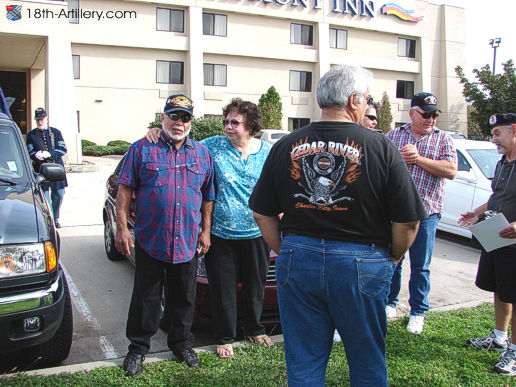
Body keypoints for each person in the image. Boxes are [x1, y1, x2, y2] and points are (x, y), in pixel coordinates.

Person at [249, 65, 427, 386]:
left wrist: (289, 250)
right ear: (353, 100)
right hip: (362, 261)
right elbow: (408, 221)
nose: (369, 105)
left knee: (304, 362)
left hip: (298, 259)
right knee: (367, 360)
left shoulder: (285, 145)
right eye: (368, 98)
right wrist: (393, 258)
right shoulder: (381, 146)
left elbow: (262, 213)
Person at [146, 98, 273, 358]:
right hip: (221, 233)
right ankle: (224, 336)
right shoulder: (212, 146)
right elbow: (180, 145)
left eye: (234, 122)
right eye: (226, 121)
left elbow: (276, 186)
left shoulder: (268, 152)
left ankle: (254, 329)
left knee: (255, 286)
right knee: (222, 288)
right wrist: (159, 132)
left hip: (256, 232)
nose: (228, 126)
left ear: (250, 126)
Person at [115, 94, 215, 376]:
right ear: (163, 118)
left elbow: (208, 195)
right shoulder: (142, 149)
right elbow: (124, 189)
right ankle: (137, 349)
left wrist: (205, 231)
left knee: (184, 298)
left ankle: (181, 345)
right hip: (151, 240)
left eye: (185, 117)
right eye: (173, 115)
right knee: (145, 298)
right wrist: (122, 228)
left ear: (191, 122)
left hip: (186, 241)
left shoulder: (201, 154)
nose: (179, 122)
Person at [385, 92, 457, 334]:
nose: (431, 119)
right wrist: (399, 159)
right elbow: (380, 166)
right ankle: (389, 303)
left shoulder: (443, 139)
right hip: (395, 212)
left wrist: (419, 159)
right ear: (412, 113)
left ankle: (418, 311)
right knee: (393, 259)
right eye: (426, 114)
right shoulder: (394, 136)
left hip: (427, 213)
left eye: (435, 115)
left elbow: (450, 170)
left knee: (421, 265)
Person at [459, 113, 516, 376]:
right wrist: (478, 213)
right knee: (501, 290)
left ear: (514, 130)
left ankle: (514, 352)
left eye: (497, 134)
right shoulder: (504, 162)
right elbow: (497, 196)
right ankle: (499, 337)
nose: (493, 139)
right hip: (497, 238)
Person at [26, 107, 68, 228]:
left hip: (56, 168)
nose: (40, 122)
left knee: (59, 194)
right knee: (44, 195)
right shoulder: (31, 135)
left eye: (42, 119)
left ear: (46, 118)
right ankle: (49, 220)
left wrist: (50, 154)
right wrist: (36, 155)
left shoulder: (55, 132)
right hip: (41, 169)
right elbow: (30, 151)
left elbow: (62, 148)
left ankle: (56, 217)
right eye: (38, 119)